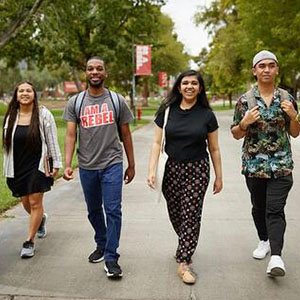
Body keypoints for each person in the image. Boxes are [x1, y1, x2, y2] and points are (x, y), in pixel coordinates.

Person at [147, 70, 223, 284]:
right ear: (179, 87)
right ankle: (185, 243)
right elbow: (156, 143)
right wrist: (152, 170)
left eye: (194, 83)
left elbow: (214, 149)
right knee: (176, 213)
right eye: (185, 83)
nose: (189, 86)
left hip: (197, 169)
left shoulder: (207, 115)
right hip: (170, 169)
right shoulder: (167, 110)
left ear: (200, 88)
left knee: (191, 214)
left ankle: (184, 261)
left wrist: (219, 176)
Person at [63, 56, 135, 279]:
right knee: (94, 210)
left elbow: (125, 134)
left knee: (113, 210)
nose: (95, 72)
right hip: (86, 165)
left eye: (99, 68)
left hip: (112, 163)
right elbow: (70, 134)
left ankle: (112, 257)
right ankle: (102, 242)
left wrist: (131, 164)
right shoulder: (75, 102)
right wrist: (67, 164)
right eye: (90, 69)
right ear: (86, 73)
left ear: (105, 73)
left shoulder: (116, 100)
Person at [231, 50, 300, 277]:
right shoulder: (244, 101)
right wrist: (244, 122)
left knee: (275, 209)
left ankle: (277, 257)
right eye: (262, 66)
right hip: (254, 166)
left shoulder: (288, 99)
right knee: (258, 208)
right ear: (255, 71)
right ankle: (264, 240)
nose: (267, 69)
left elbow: (295, 133)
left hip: (281, 165)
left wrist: (293, 117)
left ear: (277, 69)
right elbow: (236, 134)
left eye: (271, 65)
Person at [2, 81, 62, 258]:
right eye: (21, 91)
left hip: (37, 166)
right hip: (17, 167)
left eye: (28, 90)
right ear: (16, 95)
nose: (25, 93)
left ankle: (29, 241)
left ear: (34, 94)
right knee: (26, 203)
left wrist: (56, 162)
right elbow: (7, 145)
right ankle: (41, 219)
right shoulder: (11, 116)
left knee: (35, 203)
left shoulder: (43, 115)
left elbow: (51, 140)